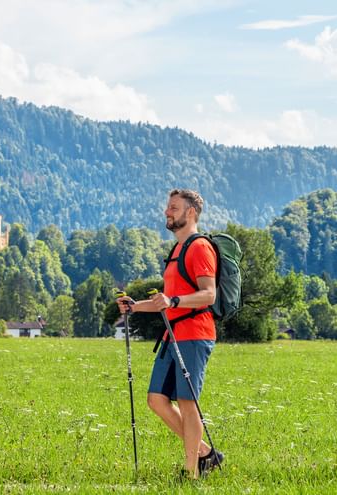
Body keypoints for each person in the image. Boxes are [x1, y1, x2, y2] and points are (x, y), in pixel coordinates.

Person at [116, 189, 223, 479]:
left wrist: (174, 302)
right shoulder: (177, 250)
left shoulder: (199, 247)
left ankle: (192, 472)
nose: (167, 212)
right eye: (167, 207)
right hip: (173, 334)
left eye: (173, 207)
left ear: (190, 212)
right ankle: (204, 453)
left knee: (188, 403)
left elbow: (208, 295)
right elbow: (167, 299)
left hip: (195, 334)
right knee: (156, 399)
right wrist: (135, 307)